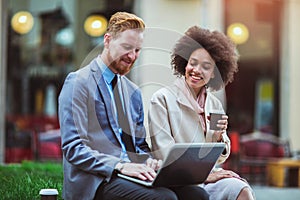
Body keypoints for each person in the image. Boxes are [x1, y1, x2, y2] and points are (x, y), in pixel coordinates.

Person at [58, 12, 209, 200]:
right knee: (164, 198)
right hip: (97, 180)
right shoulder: (78, 83)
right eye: (127, 47)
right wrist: (119, 165)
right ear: (107, 40)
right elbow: (74, 147)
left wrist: (150, 163)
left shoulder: (133, 92)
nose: (132, 56)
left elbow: (139, 145)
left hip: (131, 174)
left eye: (137, 50)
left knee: (197, 195)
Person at [148, 26, 255, 200]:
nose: (197, 70)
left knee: (242, 190)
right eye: (193, 63)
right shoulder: (162, 99)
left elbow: (219, 157)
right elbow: (164, 155)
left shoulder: (214, 104)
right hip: (177, 181)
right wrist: (204, 176)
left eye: (206, 66)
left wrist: (220, 138)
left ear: (214, 73)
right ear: (184, 63)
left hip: (208, 178)